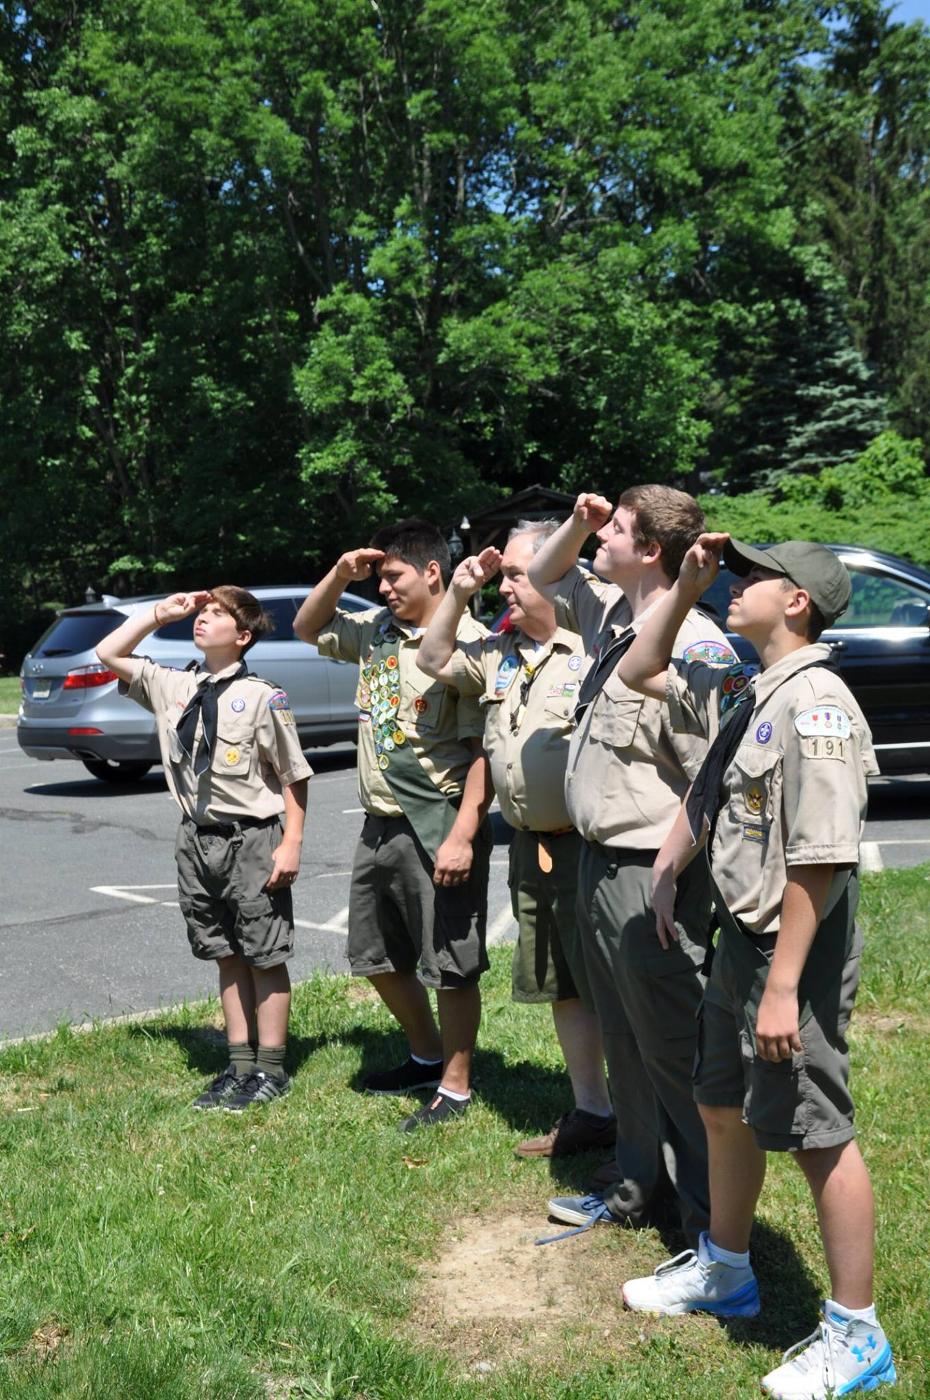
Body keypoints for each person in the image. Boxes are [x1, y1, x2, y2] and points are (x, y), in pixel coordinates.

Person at [617, 534, 896, 1400]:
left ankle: (859, 1336)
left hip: (788, 950)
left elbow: (822, 859)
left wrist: (783, 988)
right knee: (718, 1101)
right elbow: (641, 667)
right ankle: (728, 1270)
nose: (734, 584)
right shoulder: (754, 688)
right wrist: (689, 581)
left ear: (799, 601)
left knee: (816, 1130)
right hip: (743, 938)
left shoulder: (817, 704)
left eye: (753, 577)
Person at [526, 488, 736, 1246]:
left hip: (650, 871)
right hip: (596, 863)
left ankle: (711, 1221)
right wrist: (579, 520)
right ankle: (638, 1188)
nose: (596, 540)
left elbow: (711, 776)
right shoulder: (615, 618)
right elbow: (546, 577)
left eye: (612, 528)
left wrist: (673, 878)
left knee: (672, 1046)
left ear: (652, 550)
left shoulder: (695, 642)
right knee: (624, 1039)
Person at [418, 521, 616, 1159]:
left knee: (615, 985)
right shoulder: (501, 653)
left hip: (594, 848)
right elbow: (430, 658)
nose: (504, 584)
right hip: (532, 846)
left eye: (515, 572)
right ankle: (594, 1111)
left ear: (557, 576)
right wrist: (459, 590)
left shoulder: (596, 644)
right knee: (563, 984)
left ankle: (651, 1117)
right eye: (500, 574)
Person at [294, 519, 493, 1131]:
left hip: (436, 821)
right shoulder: (377, 632)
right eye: (379, 578)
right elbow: (307, 627)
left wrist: (461, 835)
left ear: (432, 572)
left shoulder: (470, 640)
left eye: (392, 577)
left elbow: (486, 750)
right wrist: (339, 573)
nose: (382, 589)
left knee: (450, 962)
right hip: (378, 822)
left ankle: (455, 1086)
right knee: (375, 955)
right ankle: (425, 1054)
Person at [97, 587, 310, 1111]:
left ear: (241, 637)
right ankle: (239, 1065)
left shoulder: (262, 695)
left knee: (263, 954)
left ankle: (272, 1070)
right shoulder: (175, 684)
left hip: (252, 837)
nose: (202, 619)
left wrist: (292, 844)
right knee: (223, 953)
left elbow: (293, 775)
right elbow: (110, 654)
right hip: (195, 838)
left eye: (217, 615)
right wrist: (157, 615)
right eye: (203, 612)